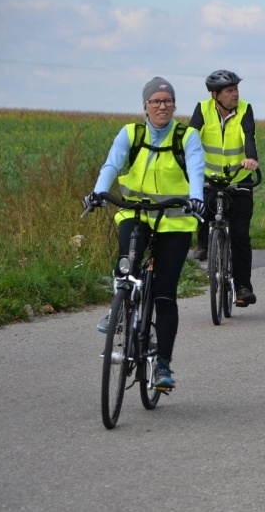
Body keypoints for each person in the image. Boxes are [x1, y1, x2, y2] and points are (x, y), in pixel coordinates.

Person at [83, 76, 206, 390]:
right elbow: (112, 165)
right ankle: (120, 308)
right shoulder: (131, 133)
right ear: (145, 107)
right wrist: (98, 193)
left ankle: (162, 365)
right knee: (127, 265)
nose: (161, 106)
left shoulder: (187, 136)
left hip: (175, 221)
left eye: (167, 101)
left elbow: (195, 169)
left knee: (165, 295)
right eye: (156, 101)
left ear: (174, 105)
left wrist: (196, 199)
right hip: (136, 214)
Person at [189, 69, 260, 307]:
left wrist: (250, 158)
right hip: (209, 178)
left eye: (236, 89)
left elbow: (248, 136)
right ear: (215, 95)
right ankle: (203, 244)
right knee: (198, 205)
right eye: (230, 90)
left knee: (240, 235)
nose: (235, 94)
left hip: (239, 179)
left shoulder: (245, 109)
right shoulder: (202, 109)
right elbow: (190, 137)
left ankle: (242, 288)